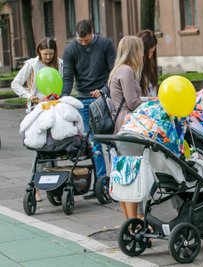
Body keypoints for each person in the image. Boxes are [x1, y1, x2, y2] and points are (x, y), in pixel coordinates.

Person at [61, 19, 116, 199]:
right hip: (83, 98)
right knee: (93, 142)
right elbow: (68, 77)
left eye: (86, 40)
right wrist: (64, 98)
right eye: (80, 40)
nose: (83, 43)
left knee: (110, 140)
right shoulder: (70, 49)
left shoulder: (105, 44)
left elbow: (113, 72)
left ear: (93, 33)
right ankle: (101, 183)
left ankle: (116, 181)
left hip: (103, 98)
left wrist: (103, 91)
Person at [11, 37, 63, 202]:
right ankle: (35, 187)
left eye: (50, 54)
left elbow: (62, 83)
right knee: (40, 149)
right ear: (39, 52)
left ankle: (54, 186)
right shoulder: (32, 65)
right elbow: (16, 84)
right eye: (45, 53)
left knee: (55, 149)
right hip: (37, 111)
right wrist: (30, 96)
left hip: (55, 110)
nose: (47, 57)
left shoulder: (59, 64)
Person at [109, 36, 144, 219]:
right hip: (129, 126)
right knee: (133, 175)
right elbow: (132, 103)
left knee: (124, 174)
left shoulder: (117, 70)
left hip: (119, 125)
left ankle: (129, 220)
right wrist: (149, 104)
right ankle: (134, 221)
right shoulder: (128, 71)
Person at [137, 29, 158, 97]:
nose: (150, 56)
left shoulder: (148, 67)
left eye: (153, 52)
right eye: (151, 52)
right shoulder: (132, 70)